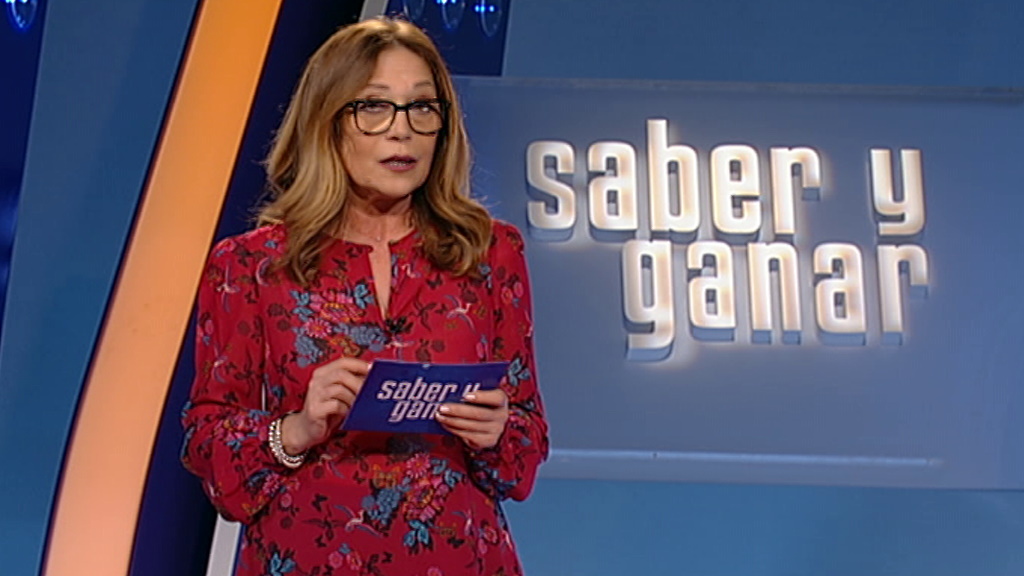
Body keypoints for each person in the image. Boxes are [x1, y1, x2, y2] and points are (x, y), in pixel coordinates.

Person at [180, 17, 549, 576]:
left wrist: (498, 433)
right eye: (374, 107)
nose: (402, 131)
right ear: (328, 122)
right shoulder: (250, 266)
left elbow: (525, 447)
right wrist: (296, 429)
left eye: (422, 108)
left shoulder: (489, 252)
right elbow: (209, 447)